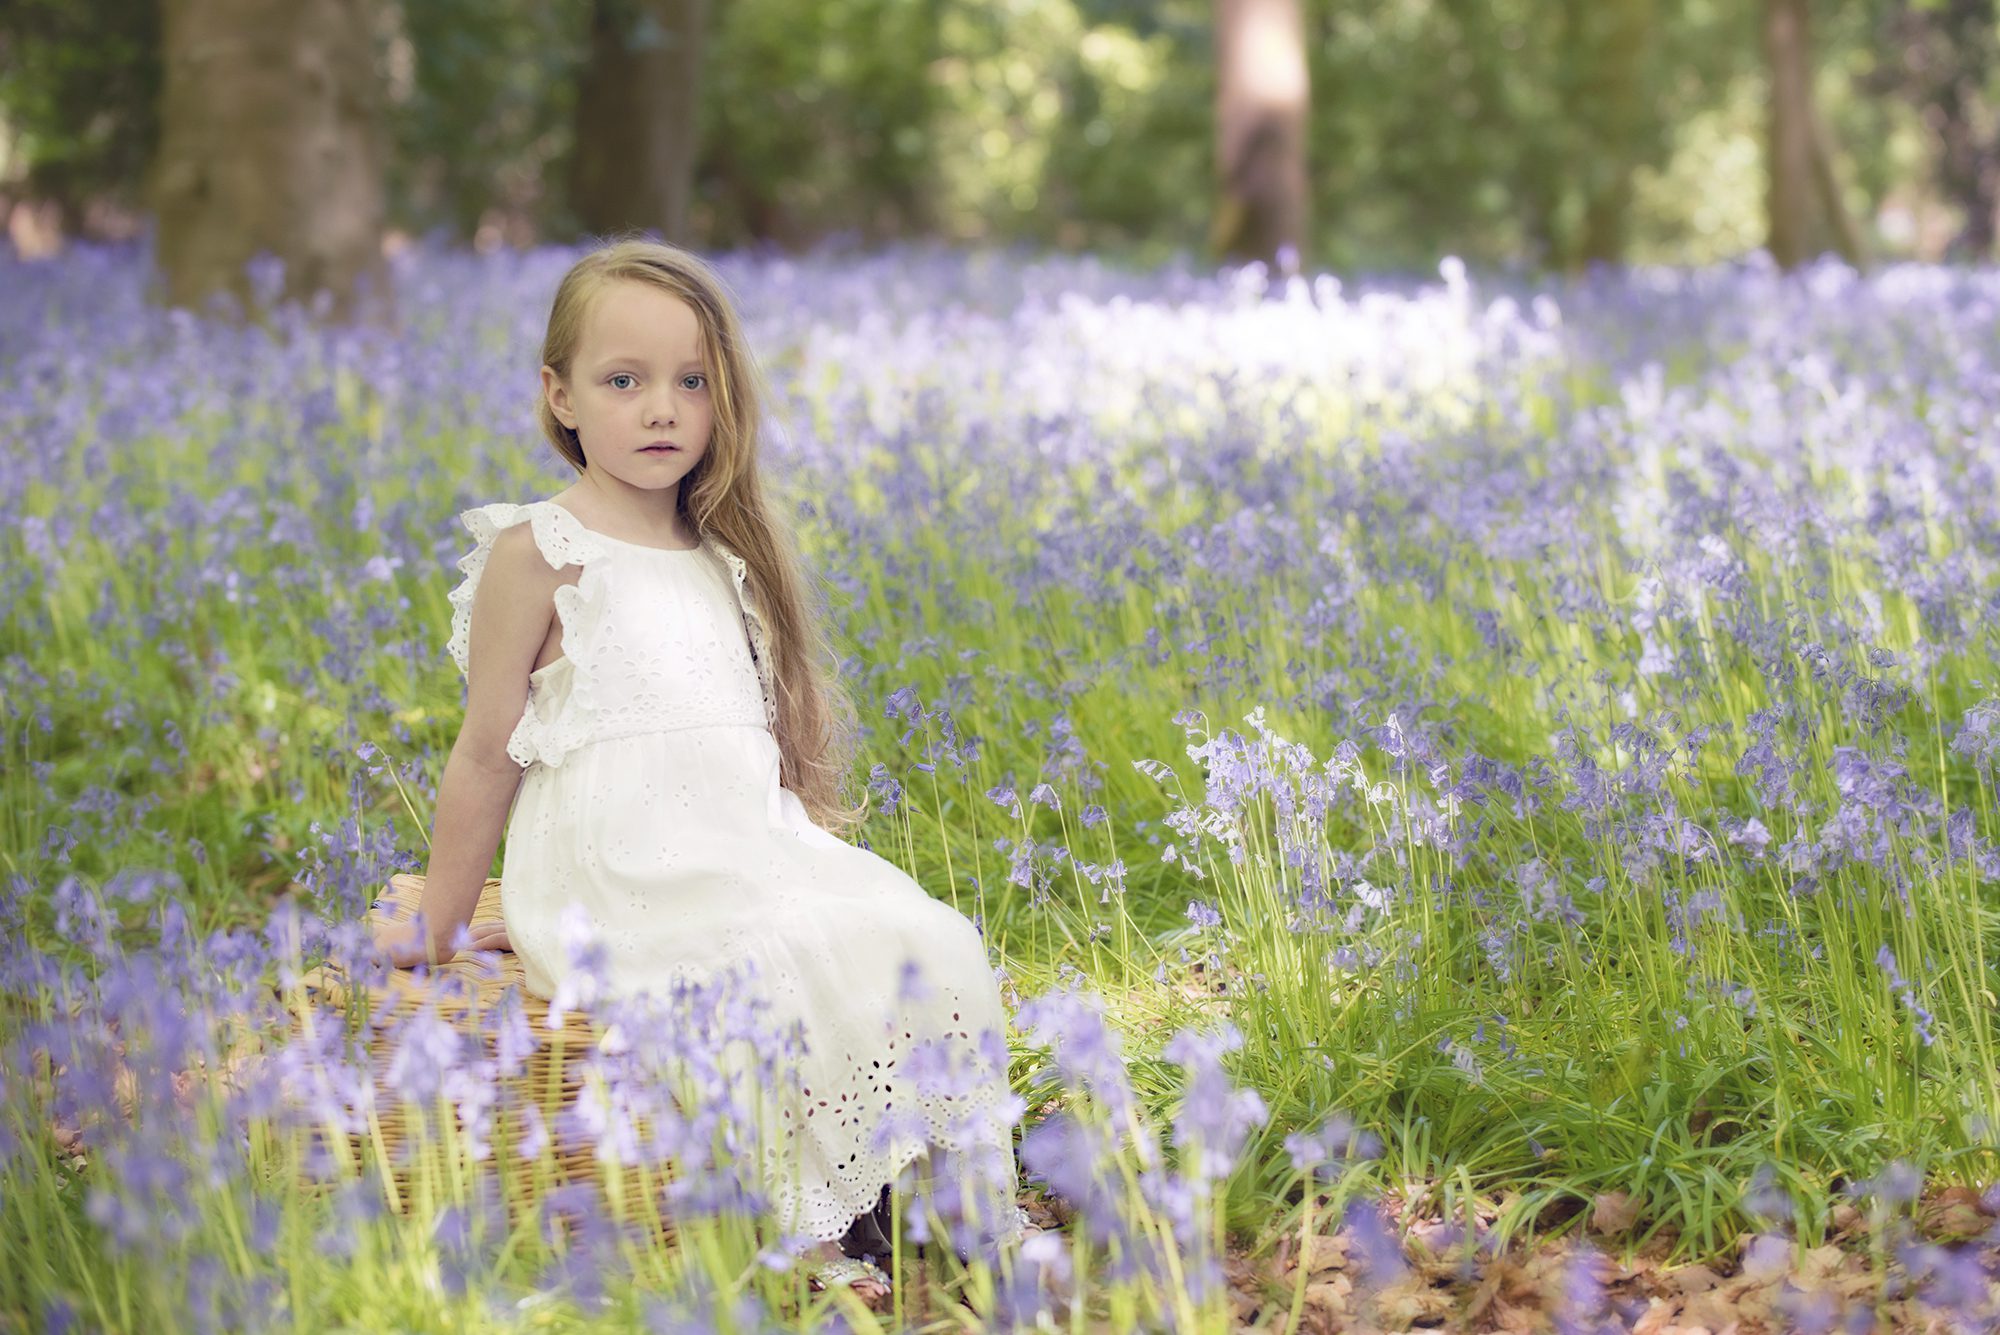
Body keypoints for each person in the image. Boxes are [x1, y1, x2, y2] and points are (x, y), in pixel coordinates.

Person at [368, 238, 1031, 1304]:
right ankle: (792, 1234)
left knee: (926, 937)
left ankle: (927, 1204)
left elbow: (746, 744)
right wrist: (441, 920)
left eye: (690, 383)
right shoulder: (538, 552)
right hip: (615, 869)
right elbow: (486, 749)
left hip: (744, 844)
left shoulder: (726, 550)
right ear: (560, 395)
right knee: (758, 971)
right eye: (622, 382)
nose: (660, 409)